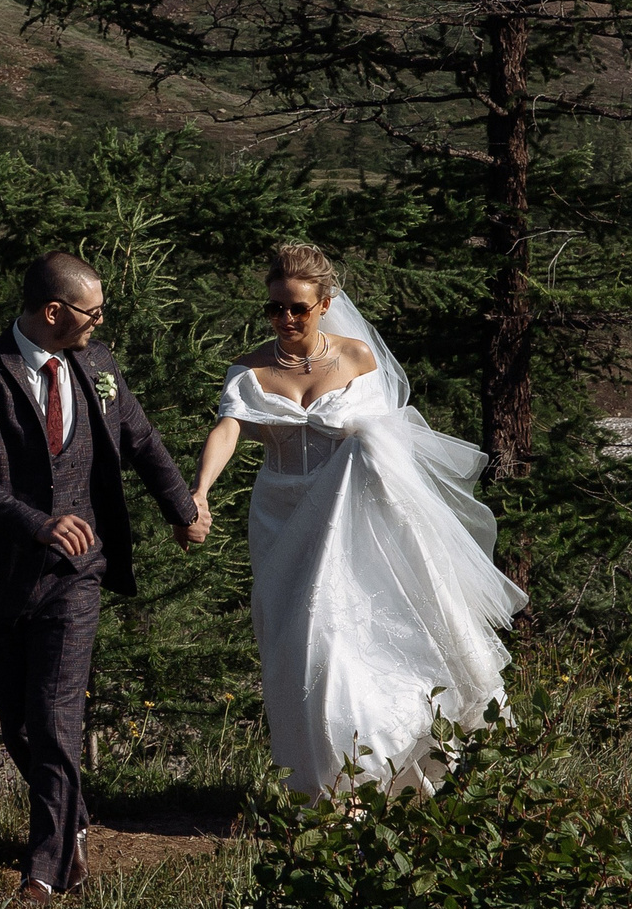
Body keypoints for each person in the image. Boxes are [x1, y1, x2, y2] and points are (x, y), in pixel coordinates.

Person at [190, 242, 526, 798]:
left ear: (325, 303)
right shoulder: (249, 371)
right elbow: (228, 428)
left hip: (351, 516)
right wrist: (200, 490)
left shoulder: (358, 358)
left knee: (342, 640)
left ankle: (366, 779)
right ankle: (318, 786)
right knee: (294, 652)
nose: (286, 319)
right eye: (275, 308)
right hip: (281, 515)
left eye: (298, 307)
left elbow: (387, 444)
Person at [0, 250, 208, 904]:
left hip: (76, 576)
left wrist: (184, 510)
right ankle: (71, 821)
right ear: (53, 312)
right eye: (92, 311)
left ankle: (46, 871)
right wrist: (35, 521)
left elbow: (141, 440)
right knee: (21, 728)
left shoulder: (100, 366)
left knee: (56, 716)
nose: (100, 321)